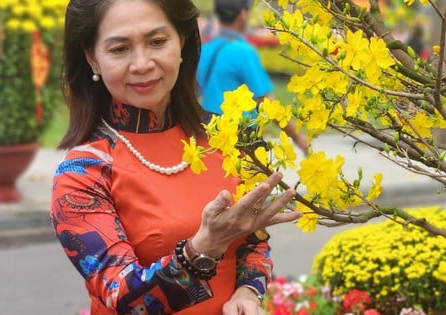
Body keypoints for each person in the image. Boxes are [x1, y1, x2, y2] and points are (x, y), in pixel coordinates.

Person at [51, 0, 303, 314]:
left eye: (157, 42)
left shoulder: (226, 138)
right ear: (92, 58)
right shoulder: (83, 173)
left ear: (182, 40)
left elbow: (253, 241)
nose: (142, 63)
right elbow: (125, 299)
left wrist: (248, 291)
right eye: (119, 49)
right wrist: (203, 248)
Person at [196, 0, 309, 154]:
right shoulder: (244, 52)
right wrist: (297, 137)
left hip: (209, 133)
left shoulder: (204, 51)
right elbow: (266, 102)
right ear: (242, 14)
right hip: (241, 137)